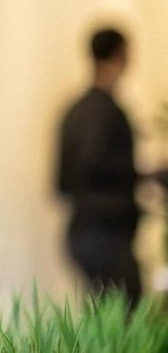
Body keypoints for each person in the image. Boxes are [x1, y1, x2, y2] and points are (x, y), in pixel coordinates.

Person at [55, 26, 154, 307]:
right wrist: (139, 174)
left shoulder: (74, 111)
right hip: (107, 235)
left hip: (80, 232)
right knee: (127, 321)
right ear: (121, 55)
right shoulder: (106, 111)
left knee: (101, 319)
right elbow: (95, 163)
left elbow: (61, 182)